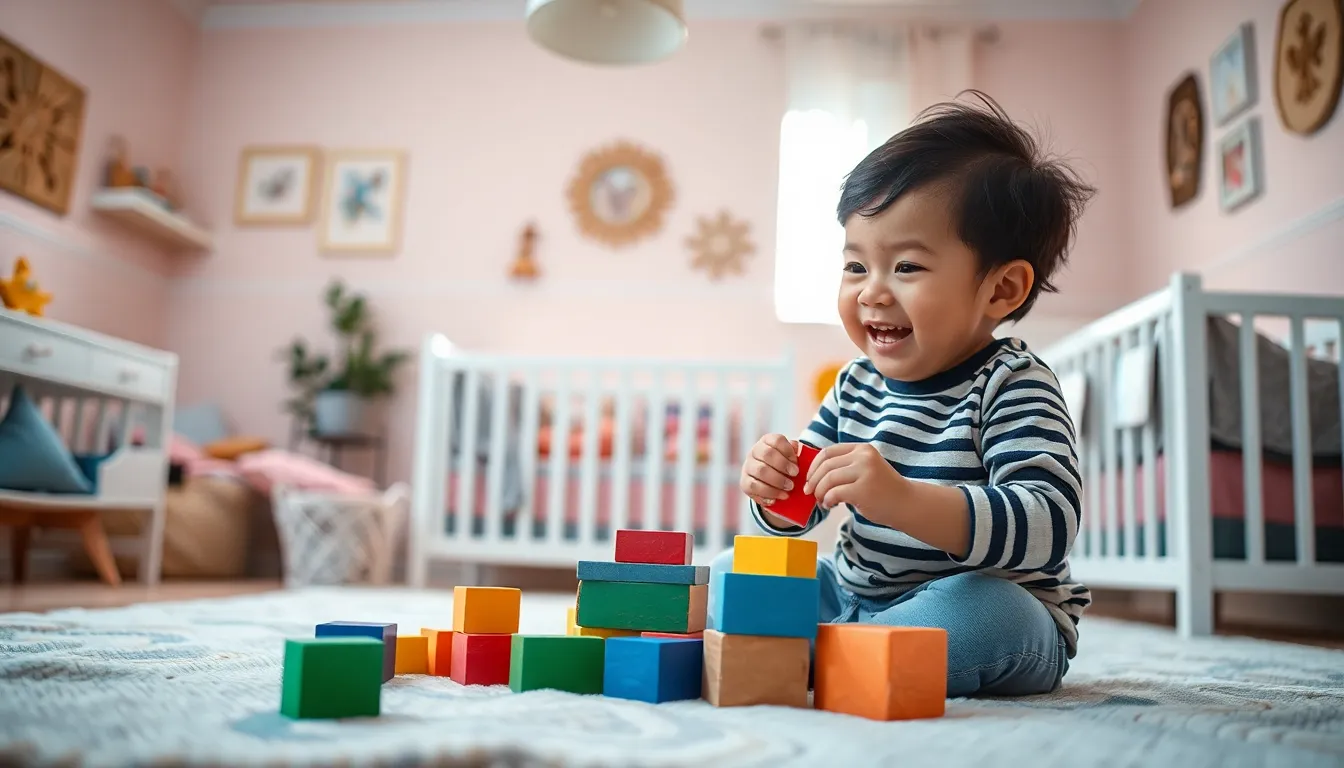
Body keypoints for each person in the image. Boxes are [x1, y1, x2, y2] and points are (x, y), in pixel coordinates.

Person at [716, 91, 1095, 698]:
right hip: (854, 595)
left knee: (994, 611)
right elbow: (798, 516)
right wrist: (775, 485)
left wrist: (901, 498)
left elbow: (1047, 525)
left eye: (907, 268)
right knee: (729, 573)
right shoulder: (855, 384)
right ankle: (851, 655)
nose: (871, 292)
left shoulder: (1012, 385)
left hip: (983, 606)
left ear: (1001, 290)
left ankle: (831, 658)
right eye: (856, 266)